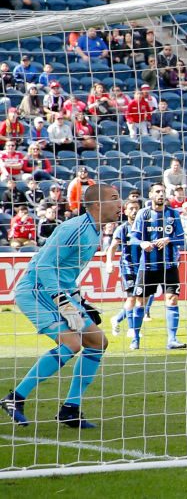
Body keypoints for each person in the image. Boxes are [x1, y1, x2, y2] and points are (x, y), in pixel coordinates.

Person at [2, 184, 121, 429]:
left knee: (98, 342)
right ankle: (15, 399)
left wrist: (79, 299)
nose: (119, 204)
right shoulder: (73, 228)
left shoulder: (94, 231)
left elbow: (66, 271)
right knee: (72, 343)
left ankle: (70, 409)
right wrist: (63, 300)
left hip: (59, 292)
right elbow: (45, 265)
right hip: (37, 291)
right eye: (114, 198)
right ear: (97, 204)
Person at [128, 184, 186, 350]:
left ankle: (172, 339)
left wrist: (169, 240)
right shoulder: (143, 214)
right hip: (147, 267)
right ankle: (136, 339)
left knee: (172, 299)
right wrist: (142, 243)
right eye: (157, 192)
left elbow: (181, 239)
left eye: (163, 192)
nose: (161, 195)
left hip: (169, 266)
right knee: (140, 303)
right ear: (150, 194)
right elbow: (133, 238)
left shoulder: (173, 214)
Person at [105, 199, 142, 339]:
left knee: (142, 299)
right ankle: (132, 329)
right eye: (131, 208)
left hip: (144, 266)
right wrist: (109, 262)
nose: (134, 211)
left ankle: (118, 318)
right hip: (128, 267)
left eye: (136, 208)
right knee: (132, 297)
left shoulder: (145, 227)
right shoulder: (122, 229)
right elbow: (113, 247)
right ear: (125, 212)